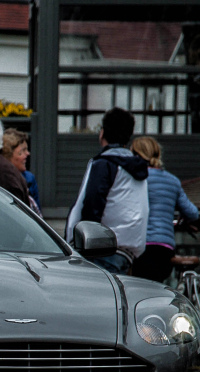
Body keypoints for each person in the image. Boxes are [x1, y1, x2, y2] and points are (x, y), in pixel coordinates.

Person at [64, 107, 149, 275]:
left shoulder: (105, 164)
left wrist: (84, 240)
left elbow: (92, 203)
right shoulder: (136, 169)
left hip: (101, 251)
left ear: (102, 133)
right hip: (127, 252)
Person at [131, 136, 200, 282]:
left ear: (137, 155)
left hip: (142, 248)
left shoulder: (136, 179)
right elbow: (192, 213)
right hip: (165, 249)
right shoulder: (172, 181)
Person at [2, 128, 40, 213]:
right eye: (23, 150)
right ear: (8, 153)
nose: (28, 153)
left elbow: (38, 216)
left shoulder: (30, 179)